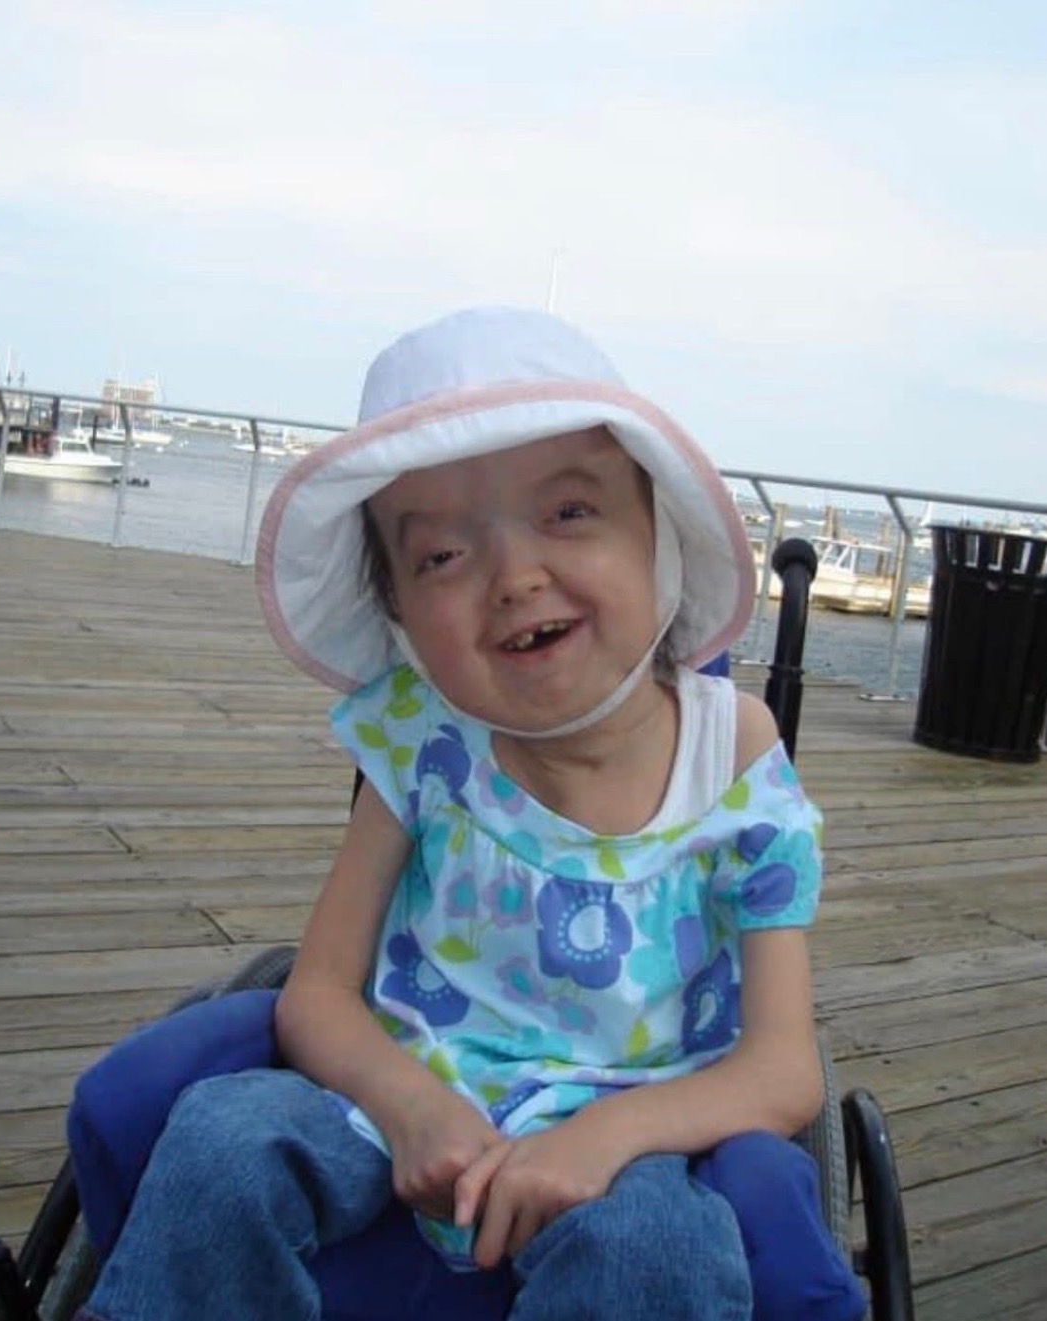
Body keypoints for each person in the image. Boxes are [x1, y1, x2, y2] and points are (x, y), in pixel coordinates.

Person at [78, 307, 865, 1321]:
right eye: (443, 556)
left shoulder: (735, 751)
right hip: (395, 1099)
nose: (514, 577)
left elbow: (781, 1069)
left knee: (654, 1251)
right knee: (221, 1140)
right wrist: (409, 1105)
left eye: (569, 511)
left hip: (631, 1137)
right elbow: (318, 994)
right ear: (399, 616)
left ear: (659, 537)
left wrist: (602, 1139)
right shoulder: (421, 736)